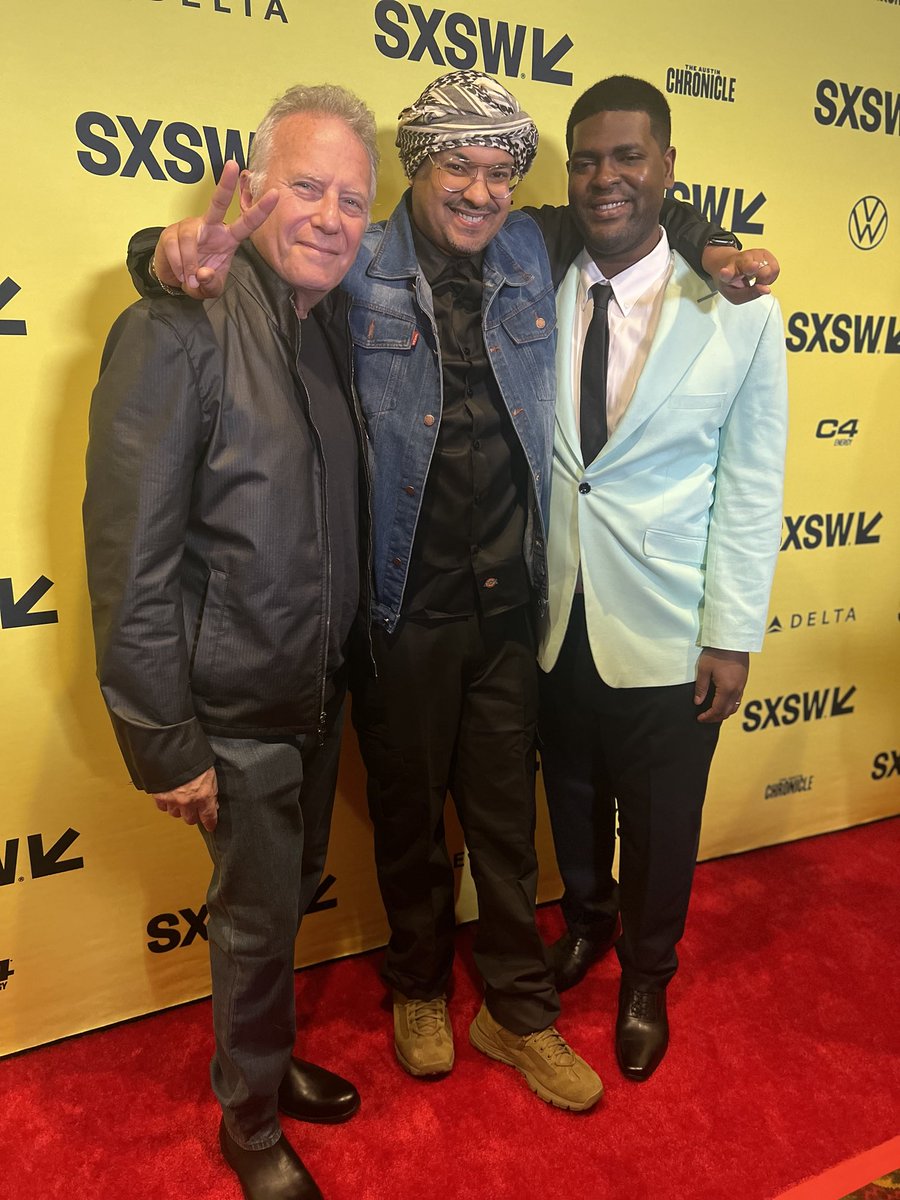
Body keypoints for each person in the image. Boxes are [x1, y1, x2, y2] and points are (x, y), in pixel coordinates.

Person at [128, 69, 777, 1112]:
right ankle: (420, 985)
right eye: (457, 168)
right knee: (408, 824)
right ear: (416, 170)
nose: (480, 191)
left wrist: (716, 250)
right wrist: (155, 259)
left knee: (506, 830)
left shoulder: (533, 244)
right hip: (397, 617)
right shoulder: (358, 260)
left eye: (499, 171)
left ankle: (515, 1010)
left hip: (512, 611)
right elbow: (238, 266)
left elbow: (641, 202)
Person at [84, 84, 379, 1200]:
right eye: (306, 186)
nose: (331, 216)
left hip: (314, 699)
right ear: (250, 192)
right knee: (255, 930)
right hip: (233, 713)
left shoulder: (323, 327)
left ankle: (266, 1059)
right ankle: (249, 1122)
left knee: (281, 905)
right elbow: (129, 556)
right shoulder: (178, 324)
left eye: (353, 199)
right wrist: (166, 739)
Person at [535, 75, 788, 1082]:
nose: (607, 178)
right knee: (572, 798)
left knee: (665, 822)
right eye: (589, 159)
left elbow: (753, 484)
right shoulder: (538, 277)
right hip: (553, 617)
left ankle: (648, 971)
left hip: (675, 624)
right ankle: (588, 924)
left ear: (669, 169)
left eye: (629, 157)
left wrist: (731, 632)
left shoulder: (741, 316)